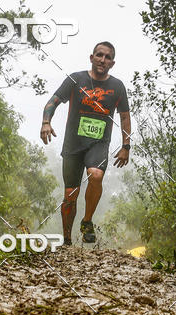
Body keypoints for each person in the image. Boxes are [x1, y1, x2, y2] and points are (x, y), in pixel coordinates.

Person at [40, 41, 131, 244]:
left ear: (112, 63)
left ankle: (87, 221)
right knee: (70, 194)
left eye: (108, 57)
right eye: (99, 55)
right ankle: (66, 240)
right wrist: (46, 122)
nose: (103, 60)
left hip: (98, 143)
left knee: (96, 174)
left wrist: (126, 146)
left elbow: (125, 116)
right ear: (92, 57)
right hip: (73, 144)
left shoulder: (117, 87)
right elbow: (53, 101)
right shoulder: (76, 79)